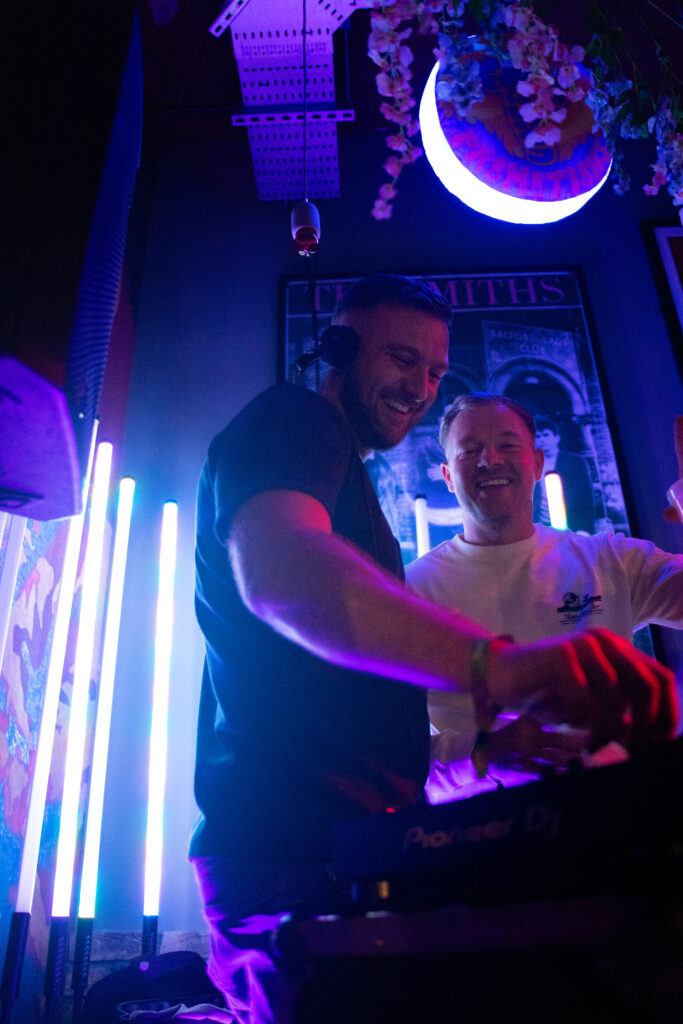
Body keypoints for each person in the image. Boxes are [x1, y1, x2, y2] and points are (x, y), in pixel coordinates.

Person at [191, 278, 677, 1023]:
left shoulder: (346, 481)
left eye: (433, 371)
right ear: (337, 347)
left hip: (344, 848)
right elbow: (282, 573)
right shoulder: (295, 418)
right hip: (288, 856)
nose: (419, 387)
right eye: (400, 358)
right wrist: (501, 668)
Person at [406, 393, 683, 800]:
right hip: (479, 829)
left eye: (507, 445)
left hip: (618, 813)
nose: (490, 460)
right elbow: (387, 759)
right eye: (470, 450)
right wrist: (483, 753)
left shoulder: (610, 558)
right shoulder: (410, 590)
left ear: (537, 463)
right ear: (447, 476)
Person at [533, 414, 597, 533]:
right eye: (538, 436)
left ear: (557, 438)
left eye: (546, 435)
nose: (542, 440)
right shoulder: (531, 464)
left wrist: (585, 529)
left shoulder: (576, 462)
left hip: (572, 525)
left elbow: (586, 496)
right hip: (541, 528)